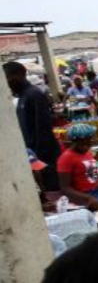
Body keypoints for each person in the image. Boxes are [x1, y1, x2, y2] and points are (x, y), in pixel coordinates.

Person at [5, 61, 60, 189]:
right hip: (33, 155)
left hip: (43, 156)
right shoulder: (22, 97)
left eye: (7, 77)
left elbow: (44, 128)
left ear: (18, 75)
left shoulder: (34, 94)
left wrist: (38, 161)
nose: (6, 82)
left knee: (51, 188)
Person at [57, 123, 98, 210]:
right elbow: (65, 188)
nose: (87, 144)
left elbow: (92, 174)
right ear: (74, 141)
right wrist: (88, 198)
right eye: (83, 142)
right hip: (84, 196)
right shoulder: (66, 158)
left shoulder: (87, 153)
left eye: (89, 141)